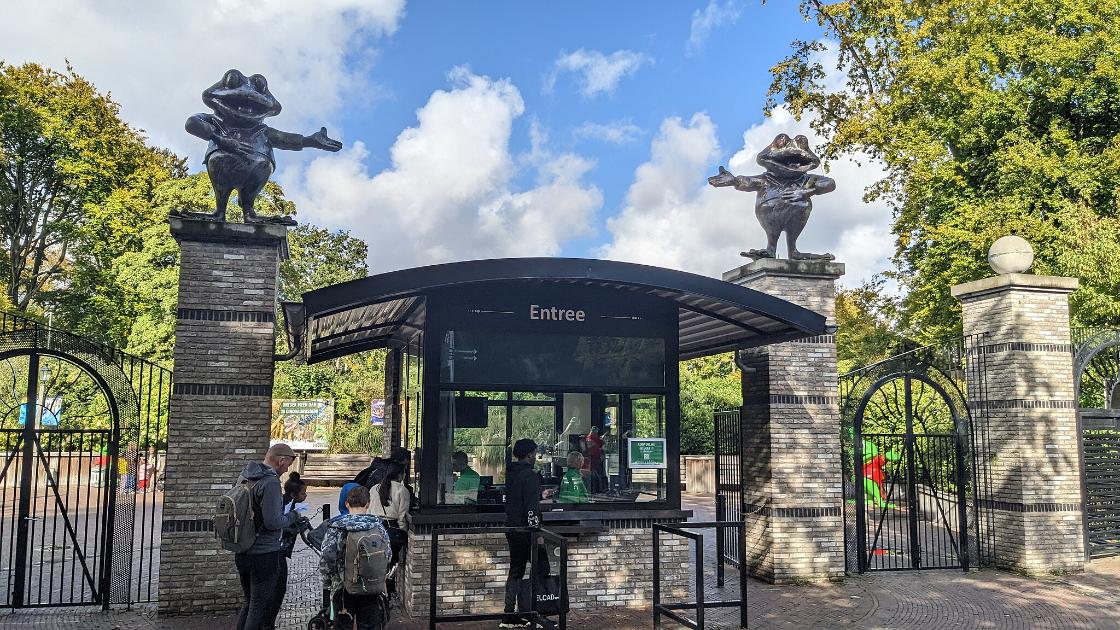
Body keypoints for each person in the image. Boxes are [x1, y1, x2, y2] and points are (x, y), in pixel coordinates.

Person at [234, 443, 303, 630]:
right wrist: (294, 515)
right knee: (259, 607)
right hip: (264, 553)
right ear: (281, 461)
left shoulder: (246, 476)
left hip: (243, 550)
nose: (288, 468)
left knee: (249, 603)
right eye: (288, 464)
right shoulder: (270, 482)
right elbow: (273, 522)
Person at [319, 485, 391, 630]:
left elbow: (327, 557)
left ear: (347, 503)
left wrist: (327, 582)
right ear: (368, 504)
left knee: (343, 625)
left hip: (343, 586)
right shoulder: (378, 527)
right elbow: (387, 555)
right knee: (370, 625)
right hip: (372, 585)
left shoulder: (337, 528)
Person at [501, 439, 554, 628]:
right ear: (530, 454)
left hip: (512, 528)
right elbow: (531, 508)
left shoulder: (511, 473)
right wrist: (536, 531)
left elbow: (516, 499)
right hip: (527, 531)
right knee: (541, 568)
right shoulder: (530, 476)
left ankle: (509, 614)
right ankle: (535, 611)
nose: (535, 456)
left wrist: (540, 495)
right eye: (534, 453)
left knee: (516, 570)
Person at [267, 472, 308, 630]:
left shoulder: (287, 503)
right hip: (276, 552)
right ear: (293, 494)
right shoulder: (287, 505)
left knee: (277, 589)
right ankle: (267, 623)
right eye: (303, 493)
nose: (305, 496)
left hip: (278, 552)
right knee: (277, 589)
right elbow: (282, 526)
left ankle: (268, 622)